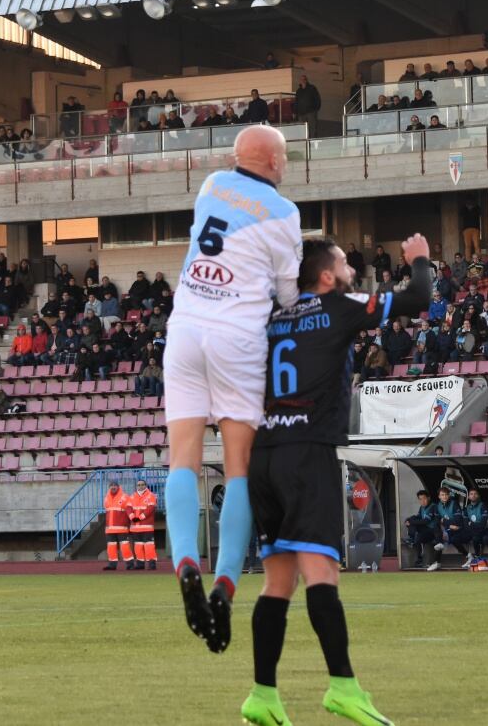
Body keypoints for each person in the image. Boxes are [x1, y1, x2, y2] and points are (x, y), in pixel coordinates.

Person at [240, 233, 429, 726]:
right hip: (307, 452)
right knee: (321, 574)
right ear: (325, 276)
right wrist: (420, 259)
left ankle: (263, 697)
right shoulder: (337, 304)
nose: (349, 268)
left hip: (262, 454)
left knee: (277, 582)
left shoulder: (271, 317)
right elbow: (419, 298)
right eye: (343, 262)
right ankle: (344, 687)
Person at [164, 124, 303, 654]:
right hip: (236, 338)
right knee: (238, 466)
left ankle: (182, 563)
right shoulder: (285, 213)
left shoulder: (211, 184)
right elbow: (288, 294)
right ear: (273, 163)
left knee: (183, 460)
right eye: (284, 160)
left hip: (185, 328)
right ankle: (224, 584)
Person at [127, 479, 159, 570]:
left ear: (146, 485)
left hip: (146, 526)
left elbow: (150, 509)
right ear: (136, 486)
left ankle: (152, 564)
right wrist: (132, 516)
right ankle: (140, 564)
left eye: (142, 484)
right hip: (135, 527)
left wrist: (140, 517)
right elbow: (128, 508)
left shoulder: (151, 495)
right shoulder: (132, 496)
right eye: (138, 485)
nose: (140, 486)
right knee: (138, 545)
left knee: (149, 545)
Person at [102, 480, 133, 571]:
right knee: (111, 547)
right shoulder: (106, 498)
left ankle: (130, 564)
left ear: (118, 487)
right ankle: (112, 565)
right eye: (111, 485)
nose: (113, 487)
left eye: (115, 485)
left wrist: (131, 523)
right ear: (109, 487)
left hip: (122, 528)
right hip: (109, 529)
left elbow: (129, 510)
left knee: (125, 547)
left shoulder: (125, 497)